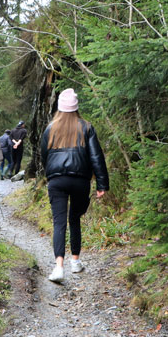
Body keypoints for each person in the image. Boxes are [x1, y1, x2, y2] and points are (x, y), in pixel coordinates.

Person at [40, 89, 108, 283]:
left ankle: (59, 267)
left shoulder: (50, 128)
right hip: (80, 180)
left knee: (59, 222)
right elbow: (96, 157)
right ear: (76, 108)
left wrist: (50, 175)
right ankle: (75, 262)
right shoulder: (86, 127)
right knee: (75, 219)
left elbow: (44, 155)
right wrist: (101, 183)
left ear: (60, 107)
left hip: (57, 180)